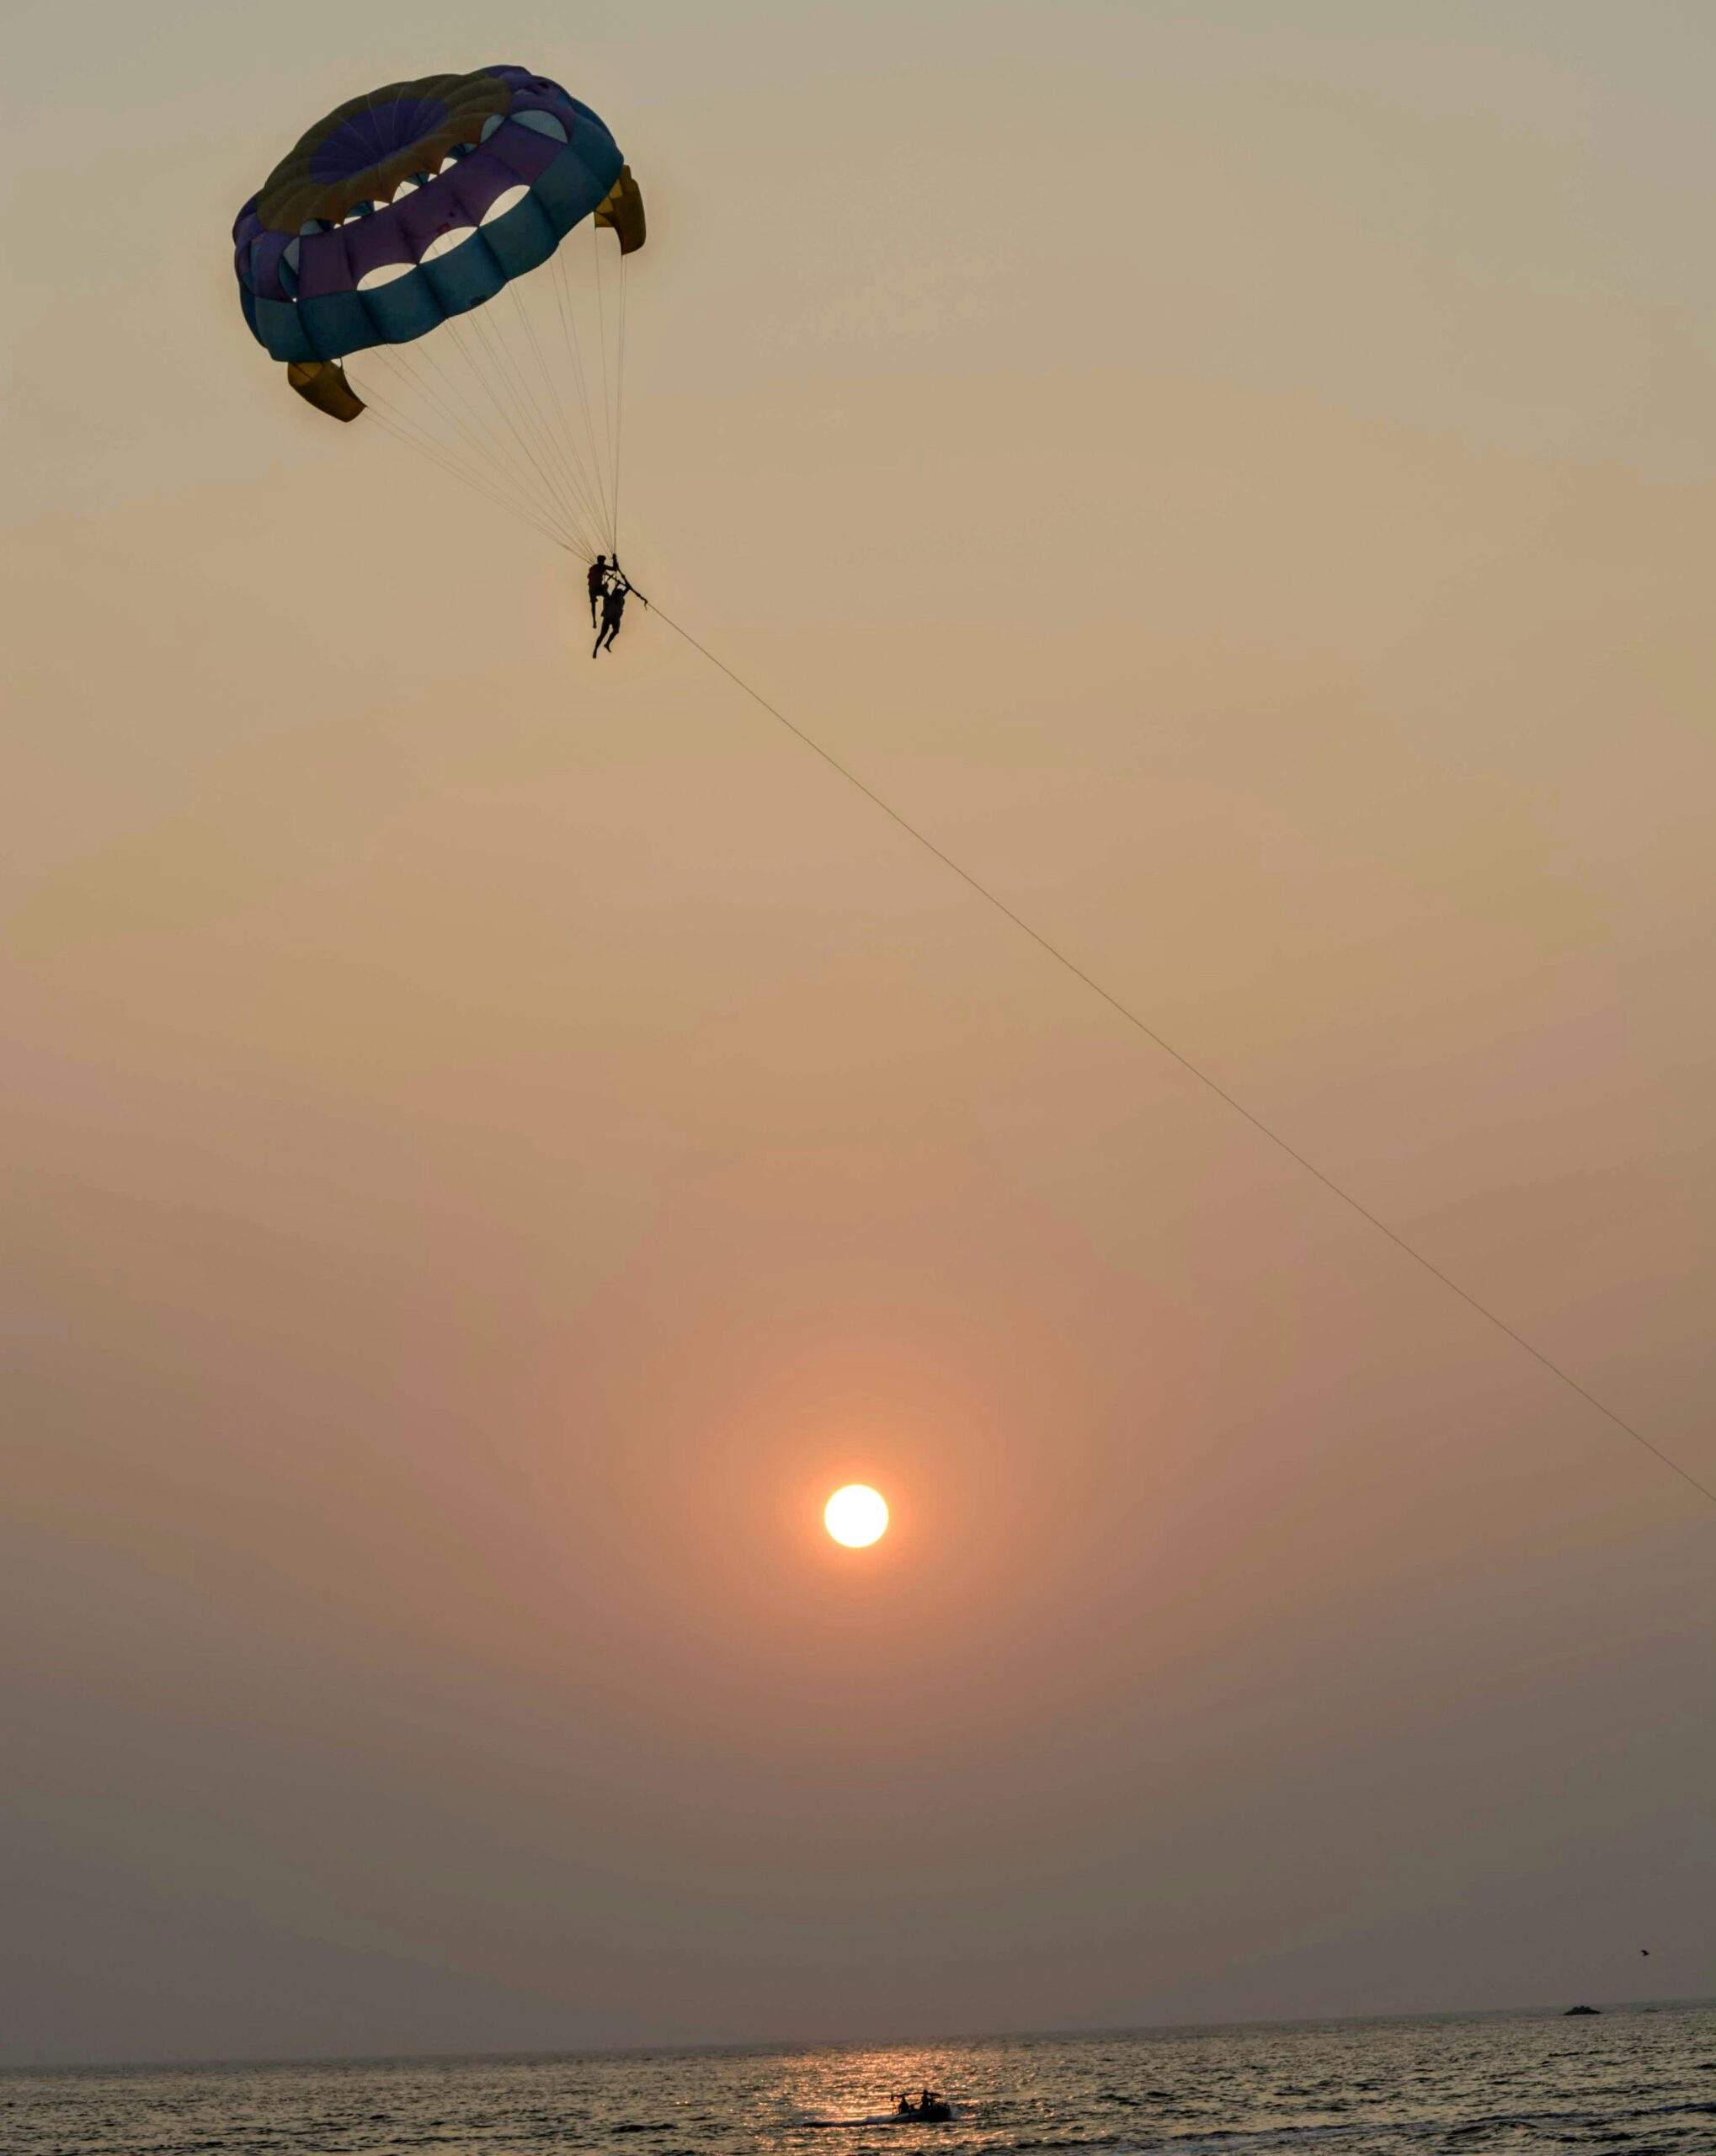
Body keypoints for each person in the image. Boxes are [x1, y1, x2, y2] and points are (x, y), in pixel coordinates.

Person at [587, 554, 610, 627]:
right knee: (608, 598)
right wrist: (615, 561)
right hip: (599, 588)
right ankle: (605, 610)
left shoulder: (592, 568)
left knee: (593, 605)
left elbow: (588, 576)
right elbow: (615, 569)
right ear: (602, 561)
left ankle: (594, 621)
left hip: (591, 589)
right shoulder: (602, 566)